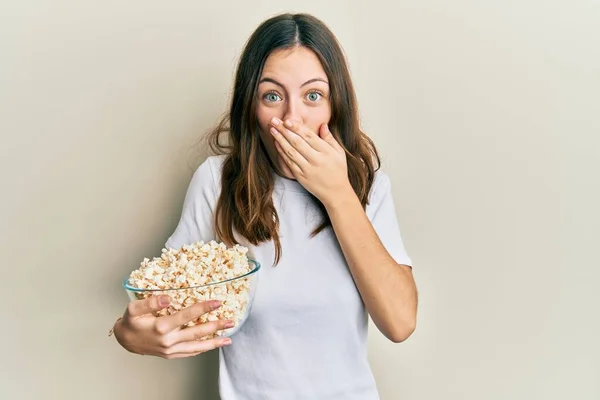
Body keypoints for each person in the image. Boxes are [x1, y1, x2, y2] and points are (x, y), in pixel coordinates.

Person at [112, 12, 418, 400]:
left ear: (335, 105)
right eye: (272, 96)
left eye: (313, 96)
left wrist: (339, 194)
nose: (292, 119)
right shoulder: (217, 182)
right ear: (252, 109)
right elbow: (159, 307)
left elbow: (400, 322)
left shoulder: (367, 187)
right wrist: (129, 333)